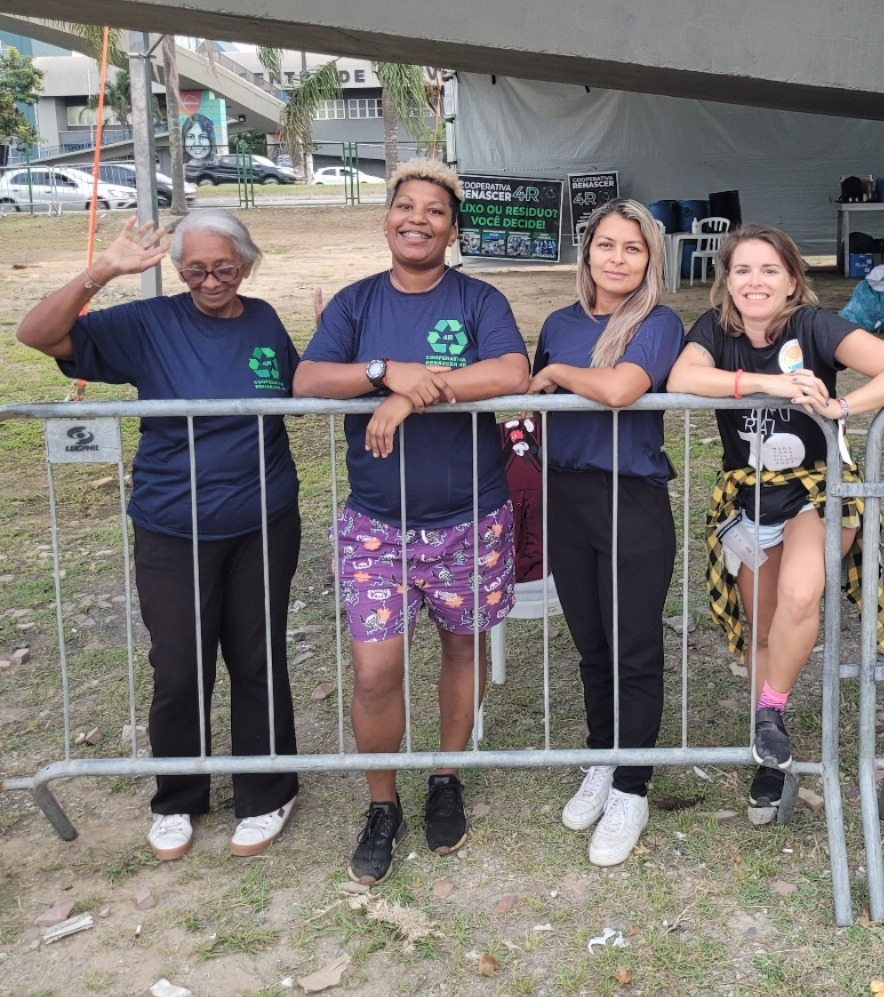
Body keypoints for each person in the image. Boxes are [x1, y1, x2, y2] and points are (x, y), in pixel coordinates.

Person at [16, 211, 302, 860]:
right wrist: (105, 270)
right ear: (176, 269)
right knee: (178, 666)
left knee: (258, 659)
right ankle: (177, 797)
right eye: (194, 268)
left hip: (264, 521)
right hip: (173, 525)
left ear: (247, 266)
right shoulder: (148, 324)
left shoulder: (263, 322)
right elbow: (36, 334)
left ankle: (268, 791)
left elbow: (299, 385)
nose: (209, 280)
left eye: (224, 268)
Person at [293, 159, 529, 881]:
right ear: (387, 217)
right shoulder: (357, 304)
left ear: (452, 230)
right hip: (375, 525)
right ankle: (382, 802)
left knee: (464, 651)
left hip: (470, 517)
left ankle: (447, 778)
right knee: (374, 672)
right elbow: (308, 378)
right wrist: (380, 373)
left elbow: (512, 371)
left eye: (434, 210)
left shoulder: (477, 298)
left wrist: (412, 396)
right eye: (406, 206)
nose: (418, 218)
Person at [667, 223, 884, 809]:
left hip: (819, 489)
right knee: (762, 626)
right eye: (742, 271)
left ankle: (770, 709)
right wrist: (770, 385)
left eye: (768, 270)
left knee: (801, 594)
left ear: (791, 281)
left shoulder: (814, 325)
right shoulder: (715, 330)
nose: (754, 281)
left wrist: (841, 405)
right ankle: (769, 747)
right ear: (726, 281)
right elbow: (682, 377)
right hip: (748, 494)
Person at [529, 199, 684, 866]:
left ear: (650, 259)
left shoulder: (656, 321)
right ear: (586, 250)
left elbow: (621, 388)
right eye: (606, 245)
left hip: (629, 497)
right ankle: (602, 756)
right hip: (564, 493)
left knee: (633, 647)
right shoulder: (559, 321)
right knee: (591, 644)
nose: (617, 258)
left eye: (633, 248)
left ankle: (632, 784)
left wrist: (562, 373)